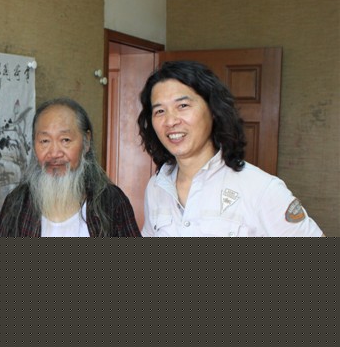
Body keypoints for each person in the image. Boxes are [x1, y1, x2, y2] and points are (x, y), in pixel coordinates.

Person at [137, 60, 324, 236]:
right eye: (159, 111)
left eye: (183, 105)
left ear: (213, 110)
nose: (170, 121)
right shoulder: (157, 187)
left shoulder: (261, 189)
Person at [0, 98, 141, 237]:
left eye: (65, 140)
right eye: (44, 141)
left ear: (86, 142)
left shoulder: (111, 202)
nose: (54, 153)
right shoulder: (17, 203)